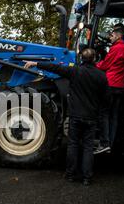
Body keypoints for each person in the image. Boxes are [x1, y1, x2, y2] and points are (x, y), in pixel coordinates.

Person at [25, 48, 108, 186]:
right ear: (94, 59)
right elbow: (106, 99)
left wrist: (36, 63)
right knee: (88, 147)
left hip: (75, 116)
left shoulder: (75, 71)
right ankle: (87, 178)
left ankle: (70, 174)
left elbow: (55, 68)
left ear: (81, 58)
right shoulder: (101, 76)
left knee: (73, 145)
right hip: (91, 117)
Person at [94, 24, 124, 154]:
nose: (110, 37)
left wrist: (93, 65)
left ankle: (104, 143)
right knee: (114, 115)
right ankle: (110, 144)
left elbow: (105, 65)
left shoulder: (116, 48)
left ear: (118, 36)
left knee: (104, 114)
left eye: (112, 35)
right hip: (120, 86)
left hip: (111, 84)